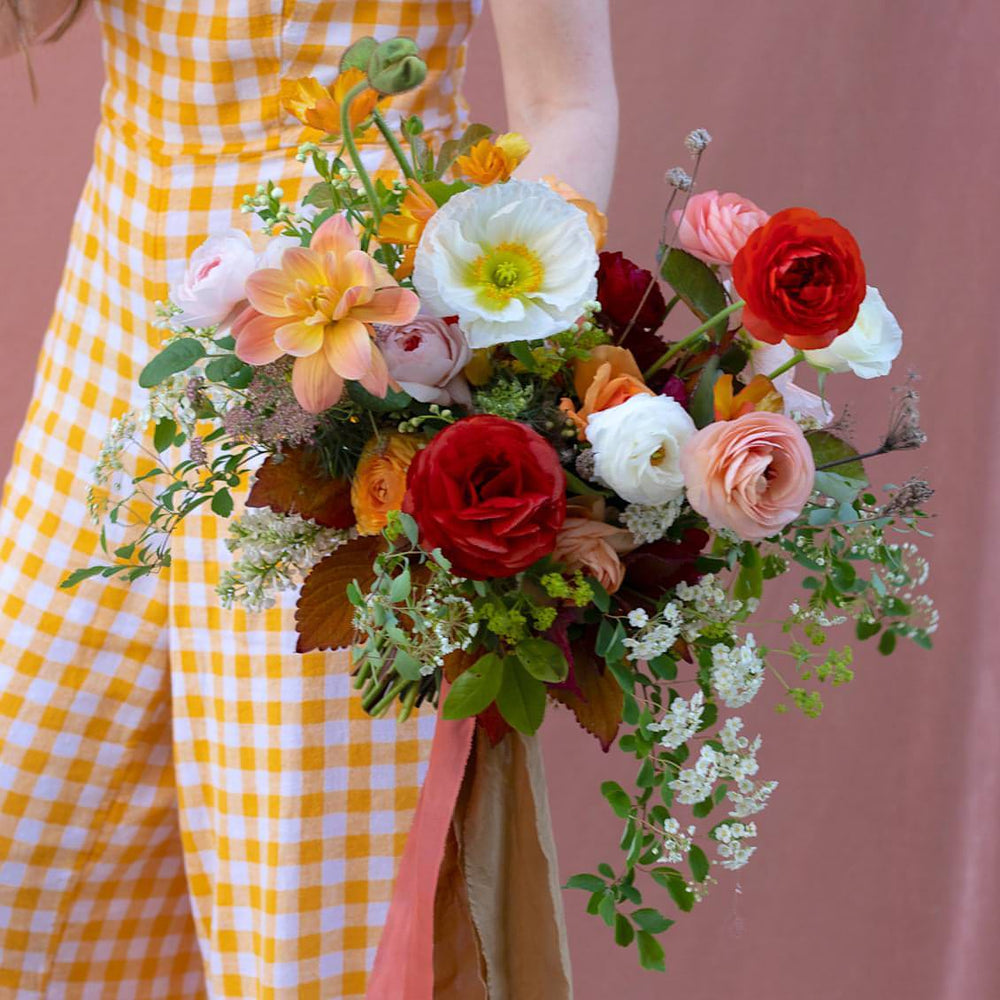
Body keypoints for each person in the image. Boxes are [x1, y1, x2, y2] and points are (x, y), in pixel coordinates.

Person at [0, 0, 618, 996]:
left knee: (298, 921)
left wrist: (470, 358)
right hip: (115, 368)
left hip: (345, 387)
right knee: (26, 836)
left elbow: (568, 101)